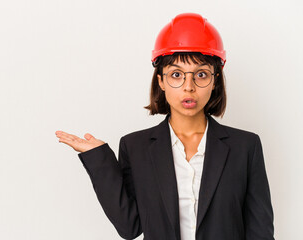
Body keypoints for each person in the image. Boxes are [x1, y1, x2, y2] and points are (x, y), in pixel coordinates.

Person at [55, 13, 275, 240]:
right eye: (177, 74)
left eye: (201, 74)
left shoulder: (245, 147)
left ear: (215, 80)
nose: (189, 87)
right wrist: (98, 159)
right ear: (161, 80)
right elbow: (129, 227)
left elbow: (261, 232)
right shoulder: (135, 147)